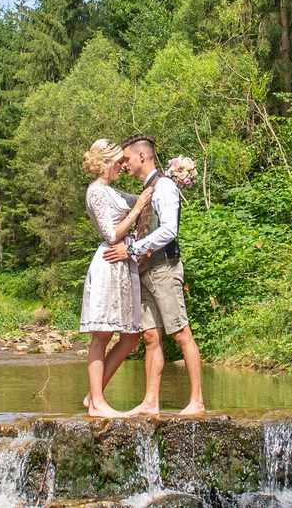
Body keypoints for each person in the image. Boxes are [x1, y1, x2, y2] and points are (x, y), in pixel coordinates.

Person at [103, 134, 206, 416]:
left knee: (181, 333)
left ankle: (197, 401)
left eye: (125, 159)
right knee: (150, 337)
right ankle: (151, 401)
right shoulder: (147, 190)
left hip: (164, 269)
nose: (123, 165)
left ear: (141, 157)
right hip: (146, 271)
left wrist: (133, 248)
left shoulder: (165, 188)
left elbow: (169, 230)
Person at [78, 139, 148, 418]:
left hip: (125, 262)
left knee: (131, 338)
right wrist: (137, 207)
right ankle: (98, 403)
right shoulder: (95, 192)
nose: (123, 165)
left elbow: (144, 199)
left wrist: (171, 178)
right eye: (119, 161)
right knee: (103, 334)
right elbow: (111, 233)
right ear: (106, 163)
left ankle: (91, 396)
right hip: (109, 262)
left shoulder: (112, 191)